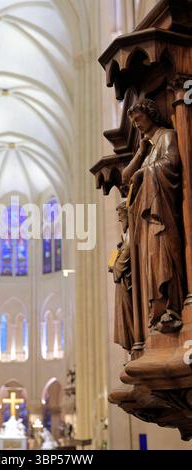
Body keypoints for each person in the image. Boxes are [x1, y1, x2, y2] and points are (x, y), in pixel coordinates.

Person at [122, 99, 184, 334]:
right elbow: (127, 177)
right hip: (148, 219)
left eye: (138, 119)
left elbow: (171, 162)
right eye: (133, 122)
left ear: (150, 115)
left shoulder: (166, 136)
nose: (136, 124)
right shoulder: (147, 147)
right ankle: (158, 309)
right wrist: (140, 153)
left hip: (162, 214)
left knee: (164, 255)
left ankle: (173, 306)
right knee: (152, 263)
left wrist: (144, 172)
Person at [109, 202, 134, 351]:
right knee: (124, 316)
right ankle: (132, 344)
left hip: (126, 285)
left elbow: (120, 264)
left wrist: (115, 265)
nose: (119, 220)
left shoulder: (130, 235)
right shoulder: (125, 237)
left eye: (120, 216)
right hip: (123, 284)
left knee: (128, 315)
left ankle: (133, 341)